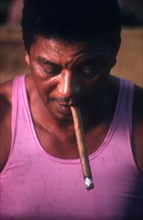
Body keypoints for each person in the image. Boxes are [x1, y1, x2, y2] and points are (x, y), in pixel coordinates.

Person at [0, 0, 143, 219]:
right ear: (27, 51)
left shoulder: (139, 117)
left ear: (114, 49)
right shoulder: (3, 115)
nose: (67, 91)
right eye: (50, 69)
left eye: (88, 68)